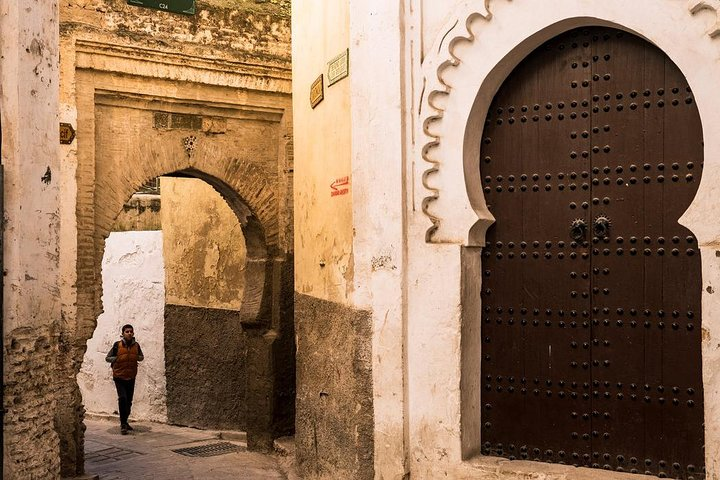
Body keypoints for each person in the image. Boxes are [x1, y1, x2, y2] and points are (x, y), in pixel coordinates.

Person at [105, 324, 144, 435]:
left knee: (129, 401)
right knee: (122, 398)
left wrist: (134, 357)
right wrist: (118, 358)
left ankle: (125, 421)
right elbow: (107, 358)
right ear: (122, 333)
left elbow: (141, 357)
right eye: (127, 331)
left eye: (131, 331)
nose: (129, 333)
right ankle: (123, 424)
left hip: (131, 376)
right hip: (119, 376)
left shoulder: (136, 346)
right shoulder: (117, 345)